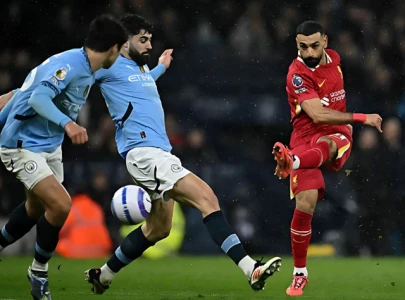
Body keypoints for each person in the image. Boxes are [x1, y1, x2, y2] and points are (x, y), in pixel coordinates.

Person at [84, 14, 281, 294]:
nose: (149, 45)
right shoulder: (109, 66)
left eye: (150, 39)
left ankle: (102, 275)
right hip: (145, 154)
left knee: (158, 230)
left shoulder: (138, 71)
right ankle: (250, 268)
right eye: (143, 39)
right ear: (124, 41)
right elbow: (75, 75)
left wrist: (160, 69)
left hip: (155, 154)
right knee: (207, 198)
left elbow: (140, 86)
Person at [0, 15, 127, 300]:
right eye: (120, 49)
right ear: (112, 48)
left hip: (48, 145)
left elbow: (25, 91)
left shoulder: (84, 65)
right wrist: (67, 124)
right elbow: (37, 99)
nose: (120, 56)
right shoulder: (70, 67)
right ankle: (39, 270)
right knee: (60, 205)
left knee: (35, 208)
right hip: (22, 144)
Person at [272, 21, 382, 296]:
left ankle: (293, 162)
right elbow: (318, 114)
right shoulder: (296, 74)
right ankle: (300, 274)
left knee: (328, 144)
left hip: (336, 133)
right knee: (305, 203)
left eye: (314, 45)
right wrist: (362, 117)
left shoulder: (335, 58)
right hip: (303, 136)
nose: (308, 52)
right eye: (302, 46)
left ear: (325, 41)